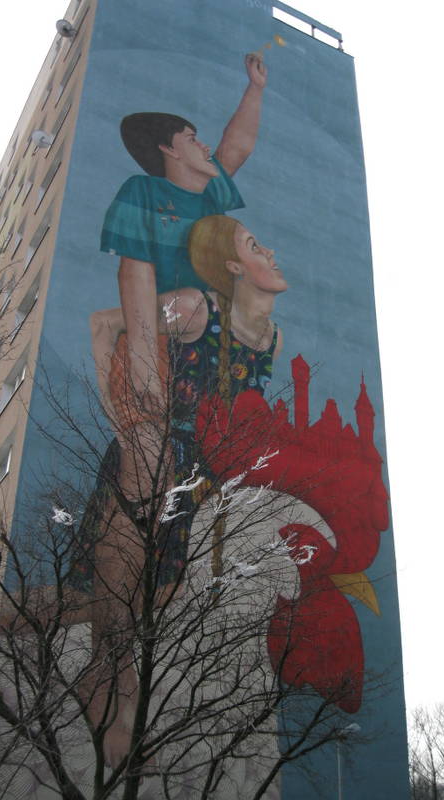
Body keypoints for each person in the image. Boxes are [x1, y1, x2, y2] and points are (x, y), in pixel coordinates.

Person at [88, 215, 287, 767]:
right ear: (232, 266)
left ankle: (84, 642)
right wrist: (118, 421)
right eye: (255, 245)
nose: (271, 251)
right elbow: (105, 325)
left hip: (207, 475)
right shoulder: (196, 309)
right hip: (153, 458)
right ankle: (110, 675)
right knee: (129, 587)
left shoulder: (272, 339)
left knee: (163, 596)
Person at [99, 54, 268, 409]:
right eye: (192, 139)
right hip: (161, 326)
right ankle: (112, 328)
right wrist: (145, 370)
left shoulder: (209, 195)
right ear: (168, 149)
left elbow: (236, 147)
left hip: (204, 335)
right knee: (192, 303)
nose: (204, 146)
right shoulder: (143, 191)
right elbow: (135, 275)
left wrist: (255, 88)